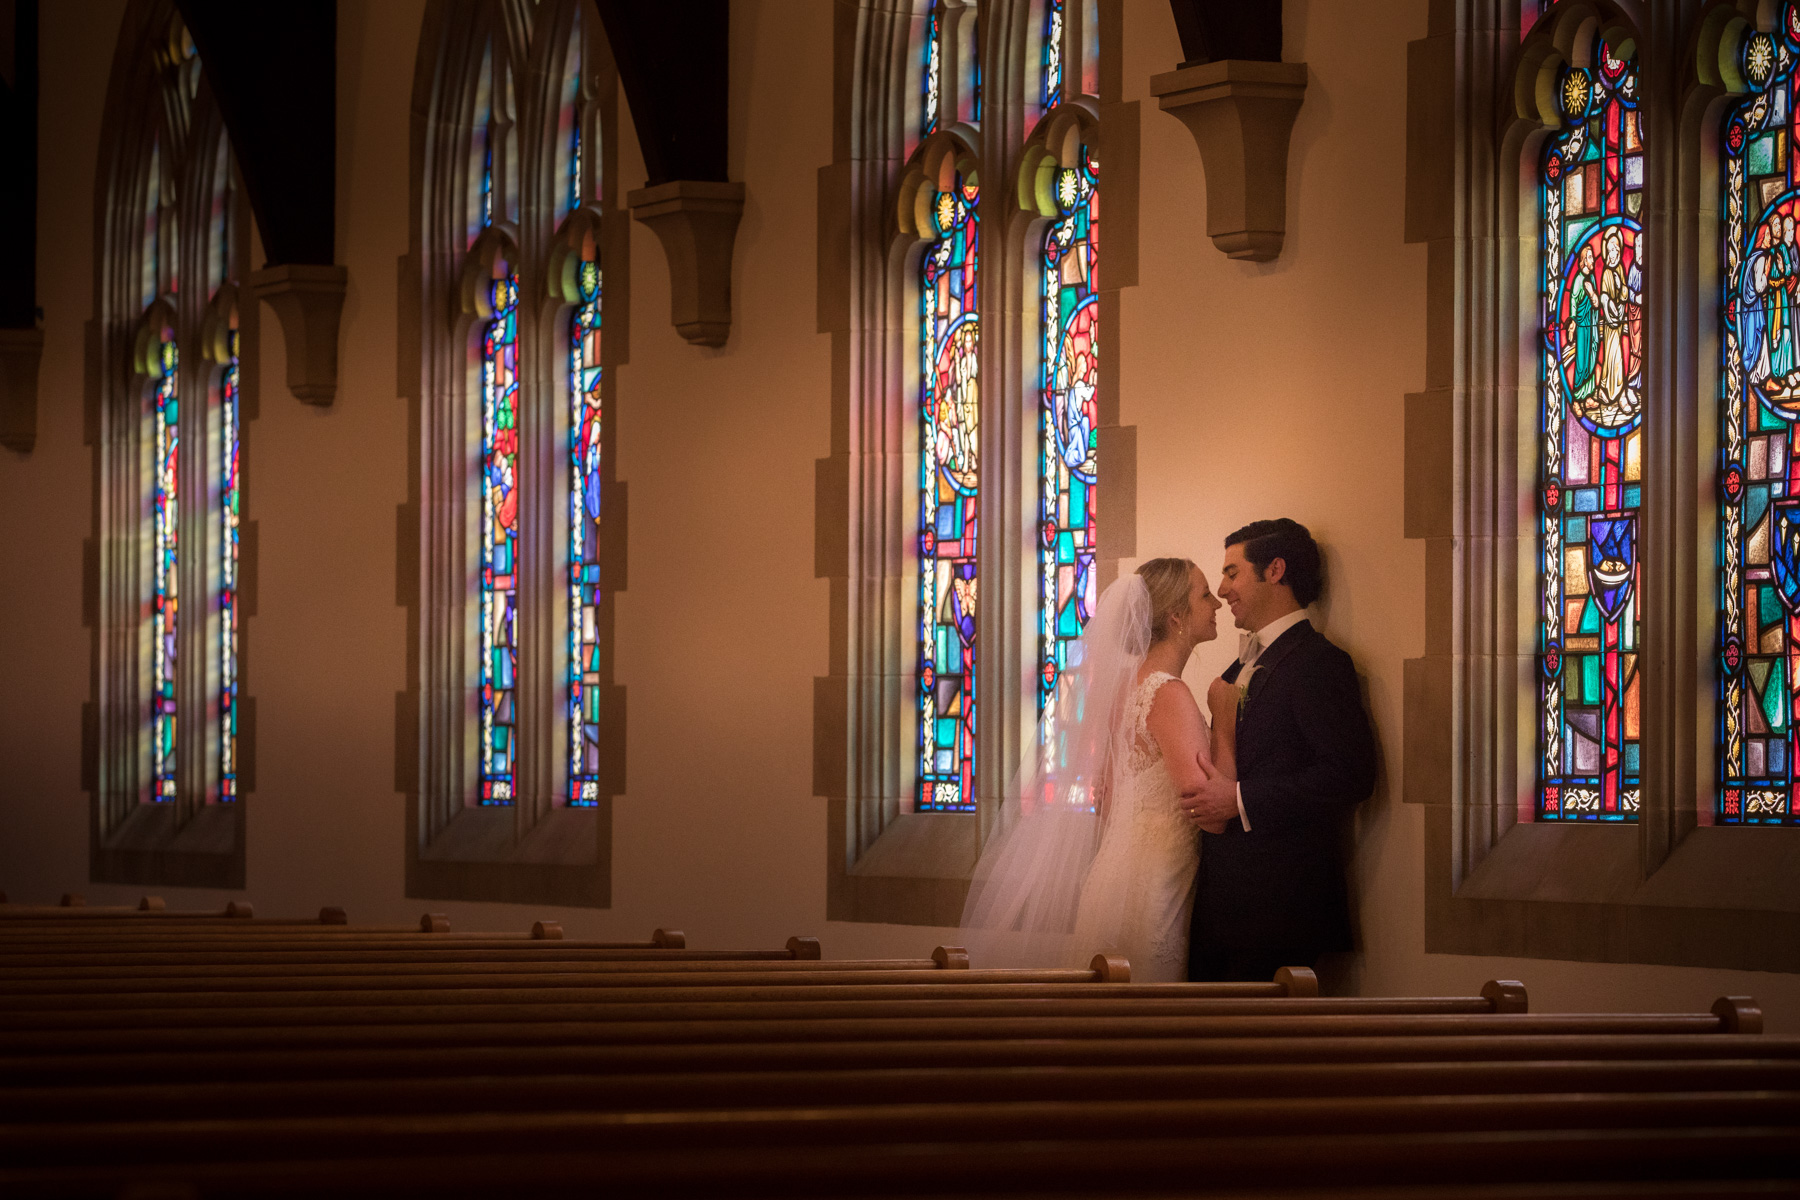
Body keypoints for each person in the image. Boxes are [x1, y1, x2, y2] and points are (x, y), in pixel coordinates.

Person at [959, 557, 1231, 981]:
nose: (1216, 603)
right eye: (1204, 595)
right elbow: (1208, 813)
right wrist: (1226, 726)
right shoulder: (1170, 694)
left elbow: (1105, 802)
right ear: (1177, 617)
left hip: (1113, 874)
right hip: (1155, 883)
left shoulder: (1127, 688)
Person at [1178, 519, 1377, 983]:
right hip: (1224, 906)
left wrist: (1241, 799)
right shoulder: (1240, 663)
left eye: (1232, 573)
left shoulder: (1319, 662)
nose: (1223, 589)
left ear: (1275, 571)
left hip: (1282, 907)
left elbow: (1351, 774)